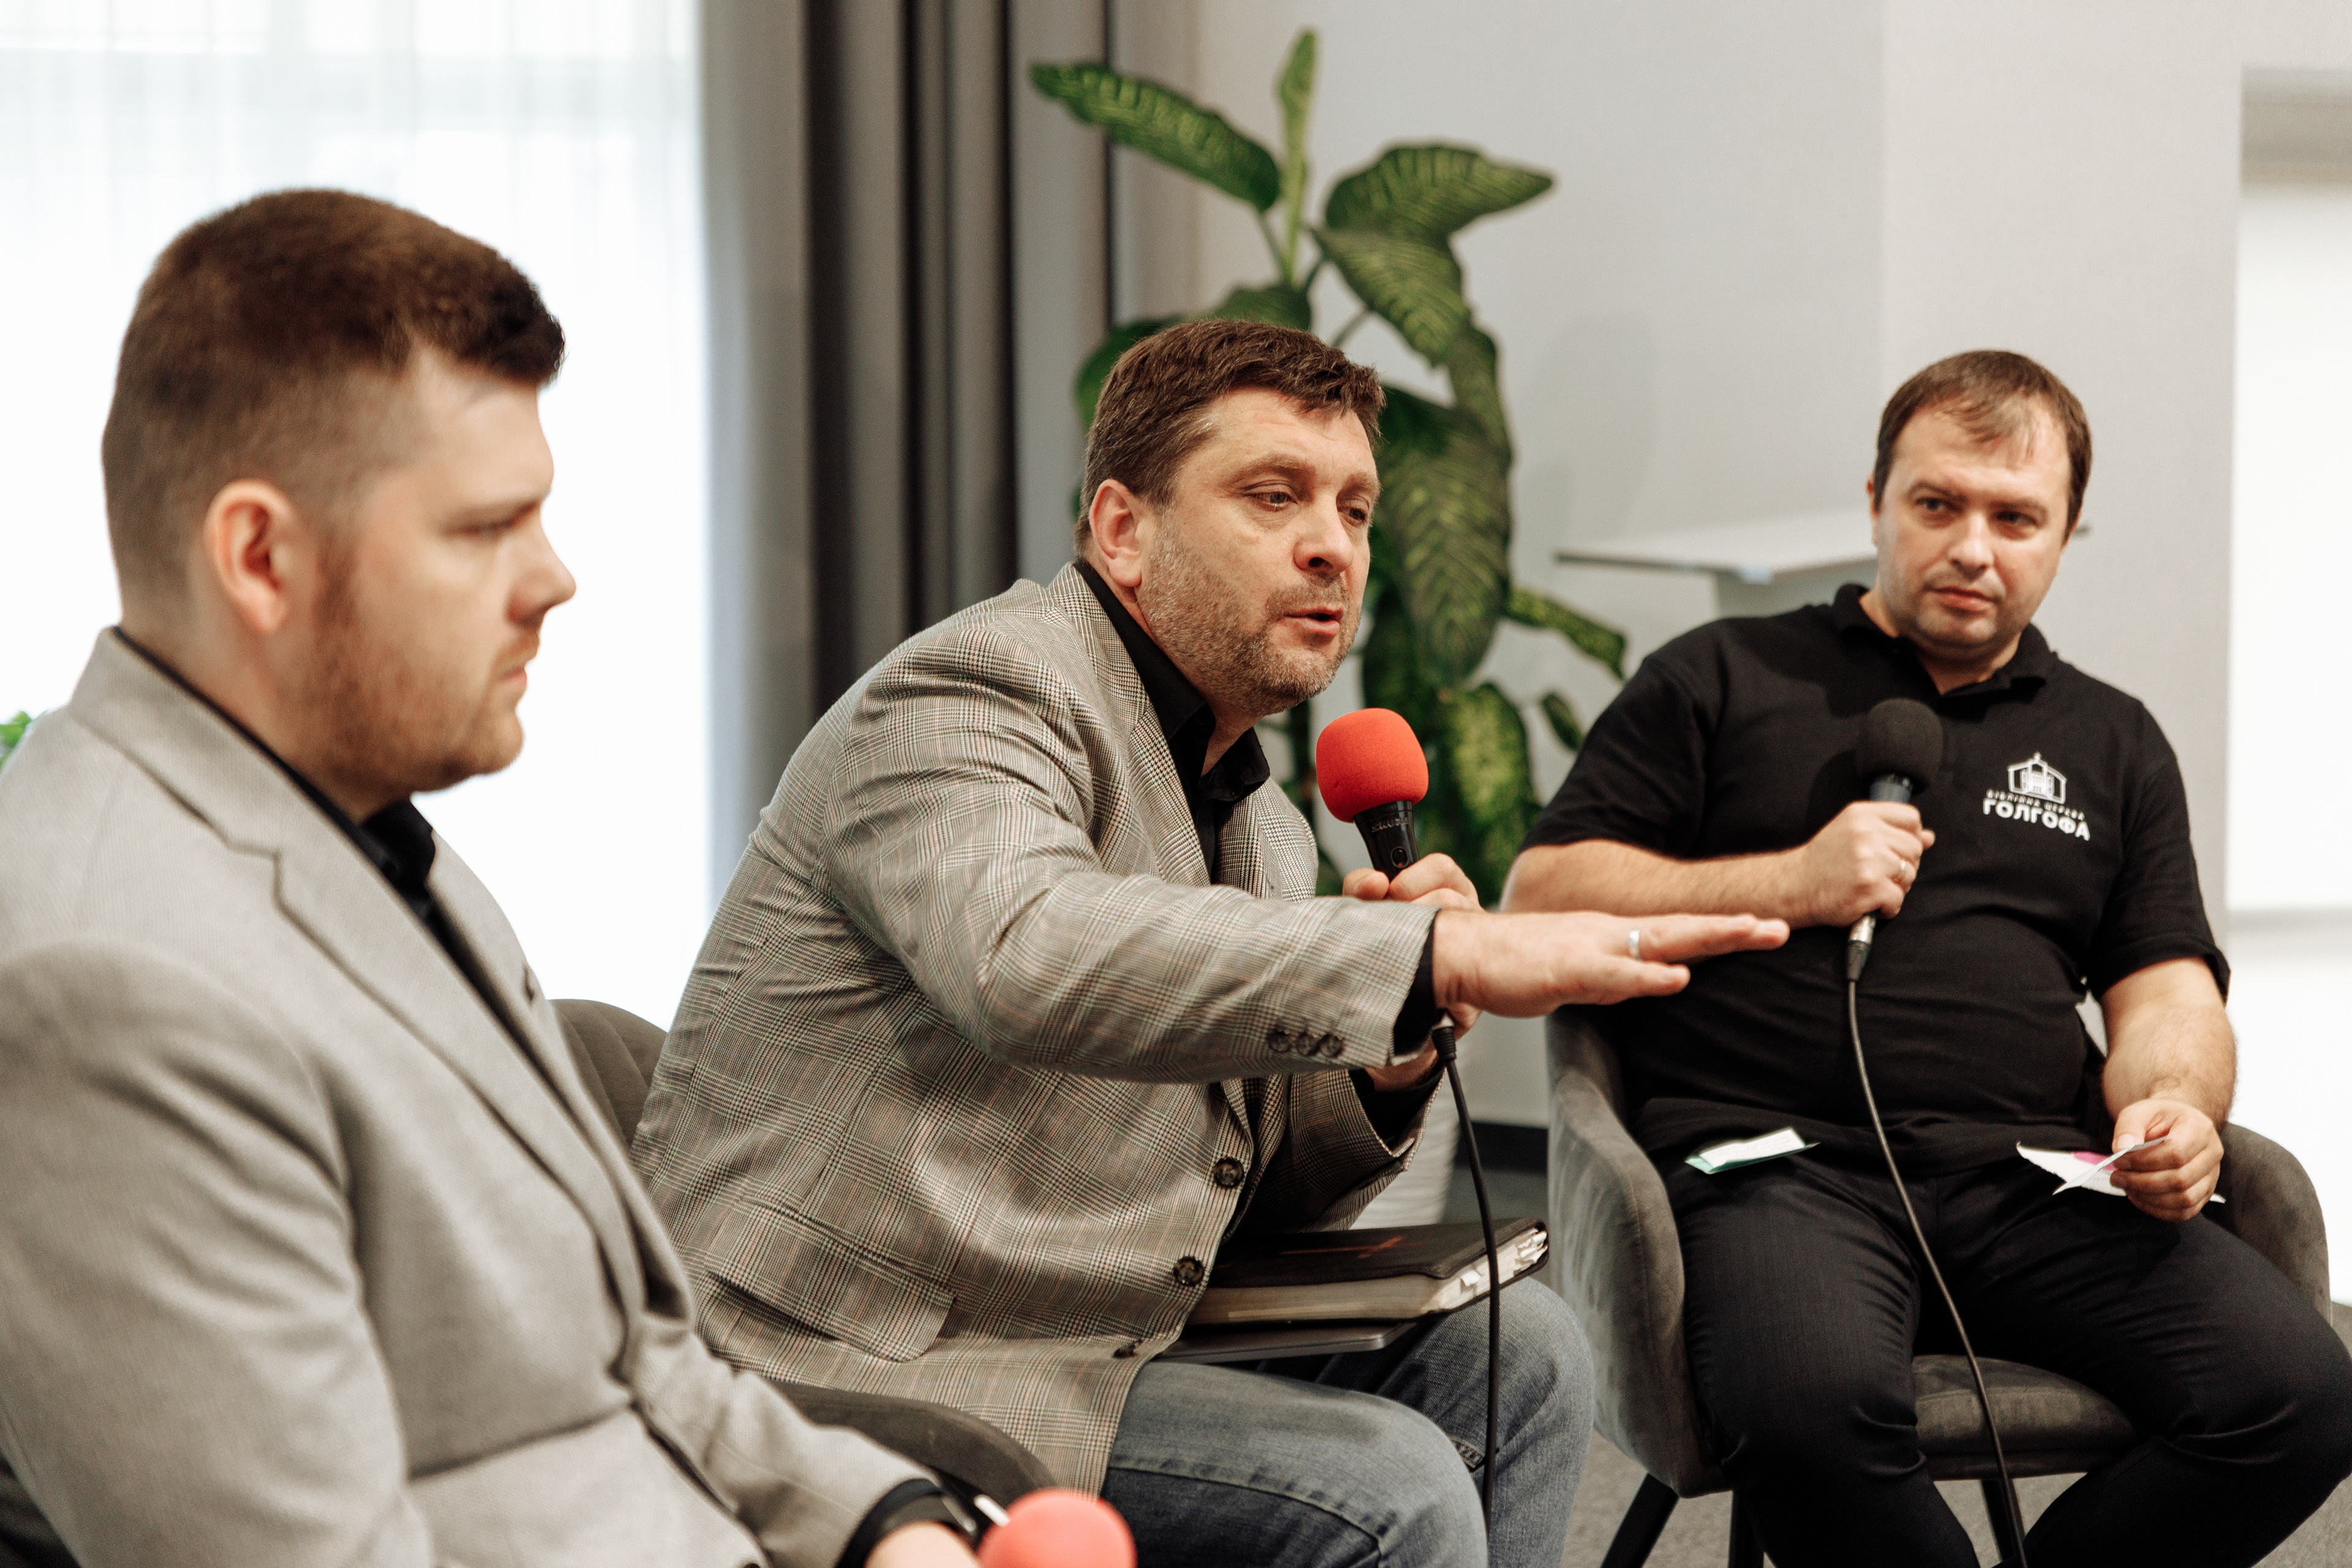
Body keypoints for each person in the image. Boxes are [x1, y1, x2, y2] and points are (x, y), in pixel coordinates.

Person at [630, 318, 1789, 1568]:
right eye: (1273, 496)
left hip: (1087, 1317)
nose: (1331, 545)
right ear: (1123, 529)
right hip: (856, 1349)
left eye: (1354, 508)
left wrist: (1387, 1058)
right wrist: (1426, 959)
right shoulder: (973, 691)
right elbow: (1026, 952)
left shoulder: (1264, 820)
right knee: (1392, 1489)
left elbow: (1243, 1184)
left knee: (1532, 1354)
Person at [0, 190, 974, 1568]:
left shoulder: (373, 829)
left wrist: (887, 1522)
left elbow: (640, 1359)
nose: (555, 578)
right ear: (261, 558)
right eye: (482, 528)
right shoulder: (102, 983)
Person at [1504, 349, 2352, 1565]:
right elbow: (1542, 894)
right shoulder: (1722, 674)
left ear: (2067, 532)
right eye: (1938, 503)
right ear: (1875, 502)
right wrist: (1791, 882)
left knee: (2301, 1398)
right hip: (1774, 1165)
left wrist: (2173, 1102)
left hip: (2037, 1175)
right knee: (1804, 1409)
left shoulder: (2113, 739)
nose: (1973, 548)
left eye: (2017, 518)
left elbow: (2166, 982)